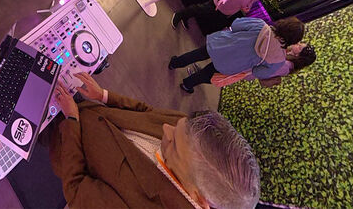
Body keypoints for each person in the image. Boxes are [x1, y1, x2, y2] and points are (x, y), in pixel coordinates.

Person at [50, 72, 261, 208]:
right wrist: (104, 95)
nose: (166, 129)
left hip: (62, 138)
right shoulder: (190, 130)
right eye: (180, 126)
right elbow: (147, 112)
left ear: (199, 198)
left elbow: (76, 187)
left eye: (175, 147)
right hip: (80, 109)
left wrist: (71, 121)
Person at [169, 16, 305, 93]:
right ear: (293, 40)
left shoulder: (261, 25)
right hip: (233, 65)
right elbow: (259, 73)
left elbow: (236, 24)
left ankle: (175, 63)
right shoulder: (279, 60)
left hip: (223, 44)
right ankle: (187, 84)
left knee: (198, 54)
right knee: (207, 73)